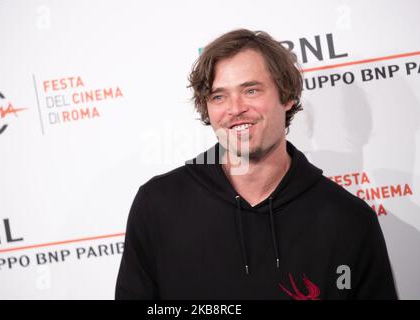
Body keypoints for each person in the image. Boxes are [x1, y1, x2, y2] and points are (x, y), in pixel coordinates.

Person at [115, 29, 398, 300]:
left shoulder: (349, 220)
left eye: (251, 91)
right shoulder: (158, 205)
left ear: (287, 96)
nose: (235, 108)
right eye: (219, 96)